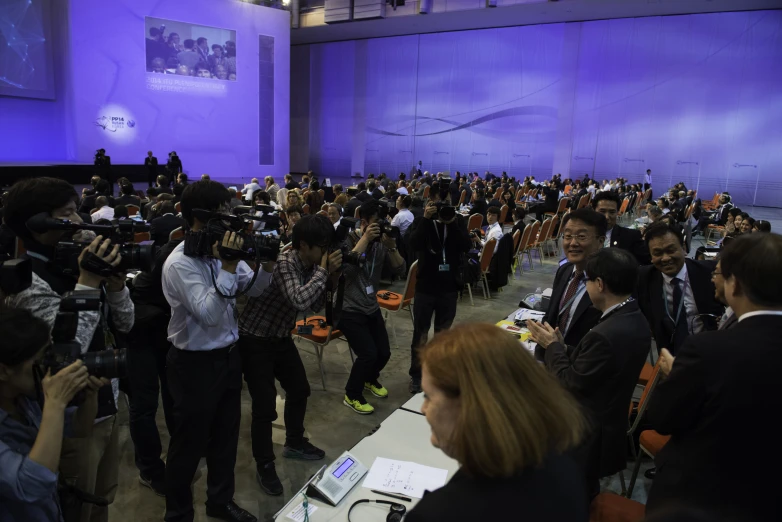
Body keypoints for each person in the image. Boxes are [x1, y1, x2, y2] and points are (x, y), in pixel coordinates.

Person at [3, 177, 134, 522]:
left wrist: (117, 286)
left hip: (104, 401)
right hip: (67, 418)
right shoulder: (30, 281)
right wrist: (88, 283)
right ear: (39, 223)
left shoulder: (77, 259)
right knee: (78, 505)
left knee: (102, 501)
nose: (79, 220)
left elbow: (125, 324)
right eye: (68, 212)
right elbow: (63, 350)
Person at [644, 233, 782, 522]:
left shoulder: (708, 350)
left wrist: (675, 376)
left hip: (700, 497)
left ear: (736, 283)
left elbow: (662, 418)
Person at [161, 181, 272, 522]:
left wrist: (266, 264)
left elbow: (253, 291)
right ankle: (178, 513)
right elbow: (208, 315)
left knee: (226, 437)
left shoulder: (220, 252)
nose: (230, 219)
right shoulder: (180, 263)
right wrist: (226, 265)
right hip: (193, 364)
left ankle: (219, 502)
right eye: (223, 212)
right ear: (199, 216)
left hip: (227, 357)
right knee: (188, 446)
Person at [405, 323, 588, 522]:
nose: (423, 409)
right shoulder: (564, 466)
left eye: (428, 397)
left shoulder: (439, 513)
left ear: (470, 407)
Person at [528, 248, 650, 498]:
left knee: (572, 496)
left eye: (588, 281)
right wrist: (562, 347)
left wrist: (552, 347)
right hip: (605, 420)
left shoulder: (606, 333)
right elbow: (597, 364)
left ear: (600, 284)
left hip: (586, 435)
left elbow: (568, 383)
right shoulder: (631, 316)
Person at [237, 215, 341, 495]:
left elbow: (316, 304)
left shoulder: (311, 264)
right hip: (254, 339)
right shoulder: (285, 262)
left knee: (299, 390)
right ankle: (265, 465)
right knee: (265, 407)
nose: (326, 252)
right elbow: (299, 299)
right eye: (322, 247)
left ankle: (294, 442)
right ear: (304, 245)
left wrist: (331, 276)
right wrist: (323, 272)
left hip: (280, 337)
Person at [0, 307, 111, 522]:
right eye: (40, 361)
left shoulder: (25, 399)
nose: (49, 367)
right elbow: (31, 487)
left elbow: (79, 428)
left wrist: (89, 396)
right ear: (4, 371)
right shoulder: (42, 399)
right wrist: (56, 403)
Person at [338, 201, 406, 414]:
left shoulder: (380, 244)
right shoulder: (347, 241)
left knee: (384, 353)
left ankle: (369, 379)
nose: (380, 228)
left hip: (370, 306)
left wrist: (391, 246)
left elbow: (401, 269)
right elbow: (345, 273)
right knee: (368, 354)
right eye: (376, 224)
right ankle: (352, 394)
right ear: (364, 223)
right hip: (348, 309)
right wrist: (365, 239)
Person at [408, 201, 473, 393]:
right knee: (420, 334)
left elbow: (466, 245)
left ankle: (436, 374)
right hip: (425, 288)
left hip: (449, 288)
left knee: (442, 337)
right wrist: (426, 219)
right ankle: (417, 375)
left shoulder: (457, 222)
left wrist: (452, 222)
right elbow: (413, 243)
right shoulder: (424, 222)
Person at [636, 222, 722, 355]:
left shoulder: (709, 272)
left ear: (683, 248)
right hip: (669, 353)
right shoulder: (643, 278)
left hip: (710, 350)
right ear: (651, 257)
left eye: (671, 250)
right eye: (657, 253)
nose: (665, 258)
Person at [536, 209, 606, 362]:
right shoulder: (565, 270)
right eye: (567, 236)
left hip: (582, 367)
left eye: (581, 237)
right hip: (552, 360)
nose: (573, 243)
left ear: (600, 241)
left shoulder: (607, 281)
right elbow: (551, 316)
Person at [592, 191, 650, 264]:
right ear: (593, 211)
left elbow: (647, 263)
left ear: (617, 213)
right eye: (602, 211)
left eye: (612, 212)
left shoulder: (631, 237)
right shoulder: (582, 235)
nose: (607, 217)